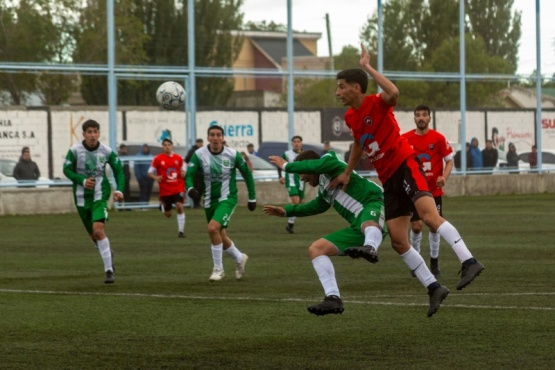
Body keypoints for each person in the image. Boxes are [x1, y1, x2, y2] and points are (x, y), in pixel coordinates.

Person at [331, 44, 483, 304]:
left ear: (356, 88)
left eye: (342, 86)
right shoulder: (350, 117)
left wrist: (367, 67)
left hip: (404, 164)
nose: (338, 92)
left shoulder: (376, 103)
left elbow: (394, 92)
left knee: (429, 217)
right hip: (388, 179)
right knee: (399, 241)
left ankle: (469, 260)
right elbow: (358, 143)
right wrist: (347, 171)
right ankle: (434, 287)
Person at [185, 125, 256, 282]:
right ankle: (239, 258)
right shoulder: (199, 154)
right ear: (208, 138)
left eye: (218, 135)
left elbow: (247, 175)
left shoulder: (232, 154)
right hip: (209, 200)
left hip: (227, 198)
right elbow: (189, 174)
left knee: (212, 228)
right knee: (220, 234)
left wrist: (252, 198)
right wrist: (190, 188)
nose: (215, 138)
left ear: (223, 138)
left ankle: (218, 269)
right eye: (212, 135)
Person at [63, 119, 124, 284]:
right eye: (89, 132)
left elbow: (119, 170)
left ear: (99, 133)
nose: (92, 135)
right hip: (82, 198)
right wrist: (82, 181)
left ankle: (109, 270)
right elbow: (66, 170)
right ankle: (108, 253)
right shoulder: (75, 150)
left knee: (98, 231)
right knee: (94, 237)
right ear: (83, 134)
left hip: (100, 195)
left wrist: (118, 190)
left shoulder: (106, 151)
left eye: (95, 131)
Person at [401, 104, 454, 278]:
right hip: (414, 191)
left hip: (433, 191)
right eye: (418, 115)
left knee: (434, 226)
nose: (421, 118)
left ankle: (434, 261)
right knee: (416, 226)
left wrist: (444, 178)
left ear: (429, 118)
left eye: (424, 115)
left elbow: (449, 161)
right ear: (414, 118)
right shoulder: (405, 139)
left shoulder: (438, 138)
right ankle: (415, 263)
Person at [148, 138, 187, 238]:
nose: (167, 146)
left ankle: (181, 231)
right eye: (165, 145)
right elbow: (150, 172)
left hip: (178, 187)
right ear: (162, 147)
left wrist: (183, 173)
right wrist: (156, 177)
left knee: (179, 206)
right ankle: (162, 206)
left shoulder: (179, 158)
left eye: (169, 145)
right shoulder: (157, 159)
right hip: (165, 189)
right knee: (168, 214)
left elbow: (183, 170)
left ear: (172, 146)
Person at [278, 135, 304, 233]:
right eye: (295, 142)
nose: (296, 143)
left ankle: (290, 224)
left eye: (298, 141)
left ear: (301, 143)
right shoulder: (287, 154)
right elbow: (279, 163)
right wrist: (280, 176)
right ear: (292, 143)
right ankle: (291, 224)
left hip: (302, 182)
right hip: (291, 181)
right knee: (296, 201)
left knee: (297, 205)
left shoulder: (305, 154)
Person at [184, 138, 205, 208]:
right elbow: (187, 159)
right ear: (196, 143)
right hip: (195, 172)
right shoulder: (193, 151)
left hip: (201, 172)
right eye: (199, 143)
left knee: (201, 188)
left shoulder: (204, 150)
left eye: (201, 143)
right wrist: (193, 165)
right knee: (196, 187)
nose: (200, 144)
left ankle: (198, 202)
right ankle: (195, 203)